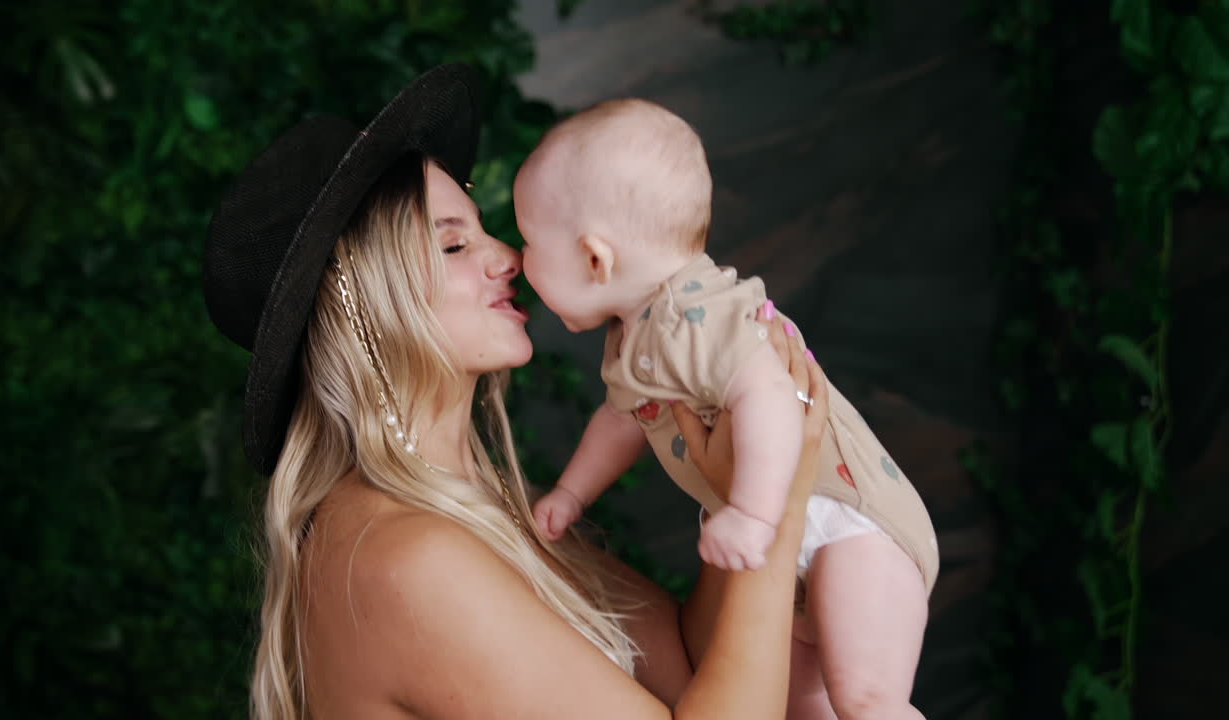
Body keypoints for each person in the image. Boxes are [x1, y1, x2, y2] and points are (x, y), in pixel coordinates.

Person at [204, 64, 830, 720]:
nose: (506, 255)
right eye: (453, 244)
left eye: (481, 229)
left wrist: (744, 480)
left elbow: (697, 669)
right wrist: (777, 514)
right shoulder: (402, 559)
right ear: (363, 306)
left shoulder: (494, 511)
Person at [516, 97, 939, 719]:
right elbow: (621, 419)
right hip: (787, 548)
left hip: (851, 527)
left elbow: (769, 396)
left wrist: (752, 514)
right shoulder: (639, 336)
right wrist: (573, 494)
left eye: (529, 243)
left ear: (594, 258)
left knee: (868, 700)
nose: (519, 261)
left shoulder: (698, 313)